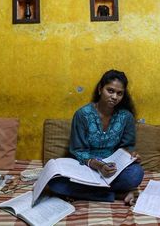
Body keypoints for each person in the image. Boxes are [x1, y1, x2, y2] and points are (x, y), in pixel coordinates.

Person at [47, 70, 144, 205]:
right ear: (100, 89)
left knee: (136, 173)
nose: (115, 96)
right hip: (85, 167)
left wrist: (131, 156)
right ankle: (118, 195)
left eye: (119, 93)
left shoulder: (126, 117)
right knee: (54, 182)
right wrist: (98, 165)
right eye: (110, 91)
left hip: (112, 170)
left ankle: (84, 193)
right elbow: (78, 150)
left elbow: (127, 147)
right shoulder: (82, 115)